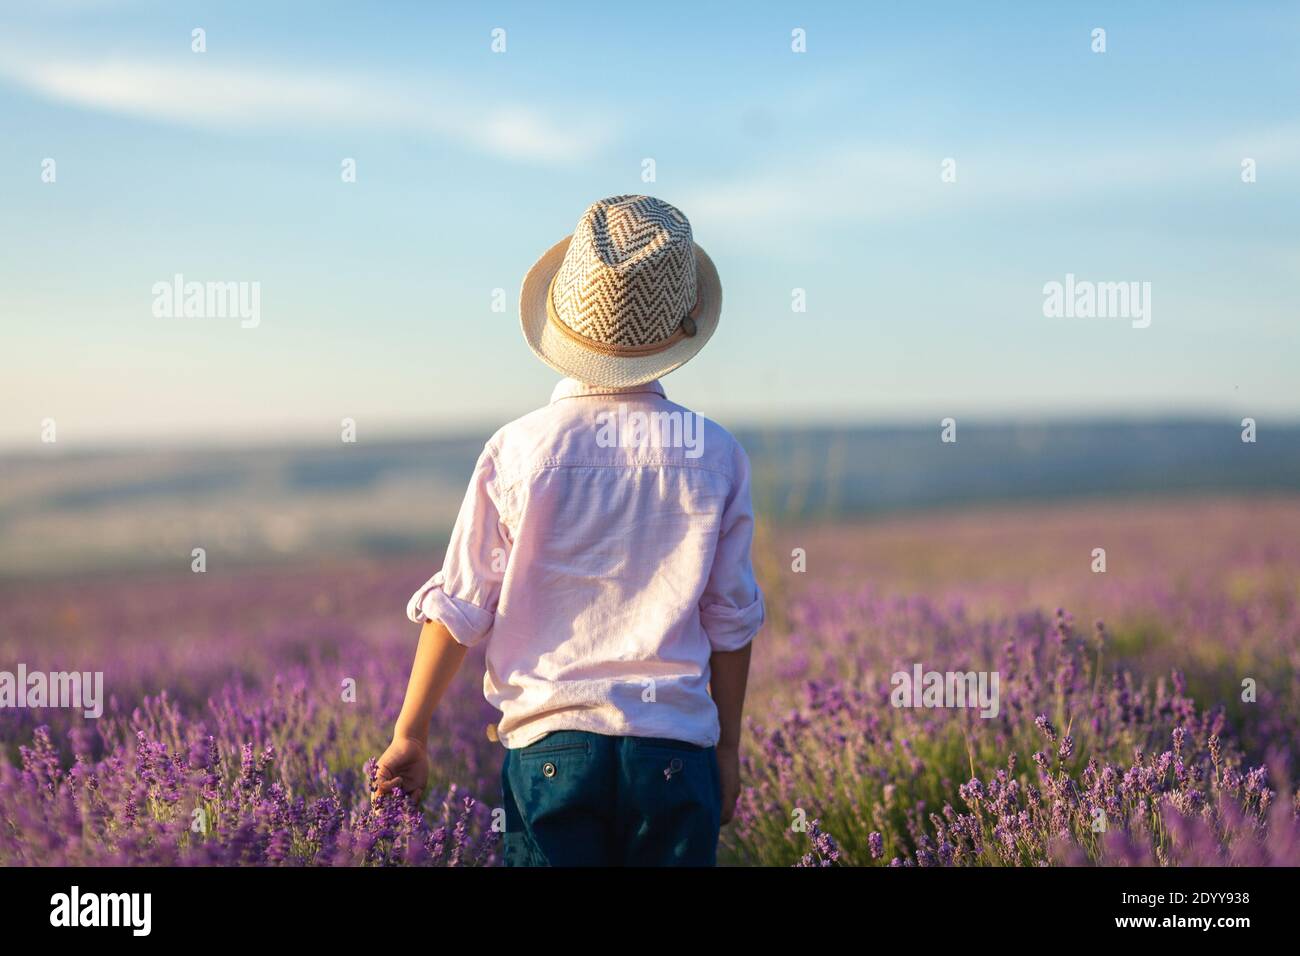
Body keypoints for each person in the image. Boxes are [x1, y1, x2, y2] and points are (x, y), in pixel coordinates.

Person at [375, 195, 764, 866]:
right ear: (681, 331)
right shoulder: (716, 452)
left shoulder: (518, 448)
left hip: (550, 750)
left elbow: (462, 603)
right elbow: (730, 619)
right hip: (675, 752)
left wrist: (411, 732)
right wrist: (727, 747)